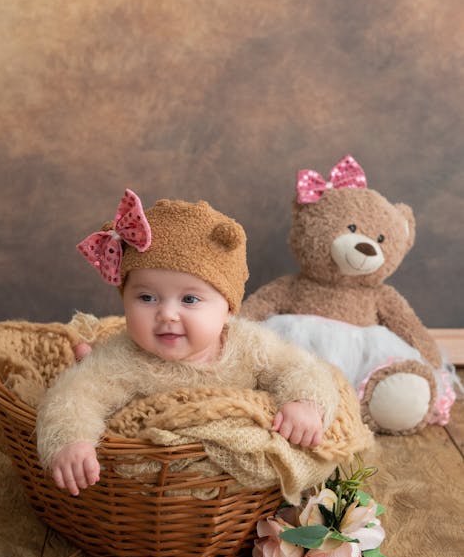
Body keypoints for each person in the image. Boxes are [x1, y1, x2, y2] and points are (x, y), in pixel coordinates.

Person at [37, 191, 340, 496]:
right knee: (86, 376)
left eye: (190, 299)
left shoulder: (249, 344)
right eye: (146, 297)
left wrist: (304, 402)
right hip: (156, 487)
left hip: (228, 487)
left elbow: (300, 367)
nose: (167, 314)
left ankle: (88, 354)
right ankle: (88, 356)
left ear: (228, 310)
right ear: (125, 301)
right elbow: (73, 396)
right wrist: (71, 440)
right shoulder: (125, 357)